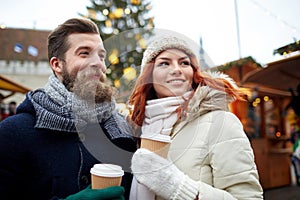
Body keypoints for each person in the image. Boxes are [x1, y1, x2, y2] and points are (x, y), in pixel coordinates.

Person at [0, 18, 137, 199]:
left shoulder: (123, 133)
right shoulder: (13, 133)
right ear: (57, 64)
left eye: (101, 56)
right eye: (84, 53)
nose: (99, 64)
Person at [128, 35, 263, 199]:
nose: (177, 69)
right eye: (164, 63)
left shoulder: (220, 122)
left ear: (193, 73)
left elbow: (248, 197)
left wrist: (177, 186)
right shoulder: (141, 129)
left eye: (184, 63)